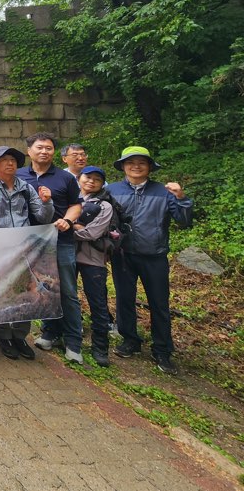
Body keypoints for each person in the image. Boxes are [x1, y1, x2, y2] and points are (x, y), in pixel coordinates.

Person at [107, 146, 192, 375]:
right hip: (123, 254)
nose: (136, 166)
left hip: (154, 255)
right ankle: (130, 340)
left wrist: (181, 198)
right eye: (130, 162)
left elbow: (184, 220)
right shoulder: (111, 190)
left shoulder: (164, 192)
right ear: (123, 166)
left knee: (159, 303)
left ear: (150, 167)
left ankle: (162, 349)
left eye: (141, 163)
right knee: (125, 299)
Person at [0, 146, 54, 360]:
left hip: (25, 249)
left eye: (14, 160)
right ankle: (3, 336)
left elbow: (43, 217)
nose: (10, 163)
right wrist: (0, 239)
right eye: (5, 160)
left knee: (26, 292)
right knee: (2, 292)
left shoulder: (25, 187)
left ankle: (20, 336)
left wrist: (47, 202)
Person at [17, 132, 85, 364]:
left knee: (66, 290)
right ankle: (50, 332)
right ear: (29, 151)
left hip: (60, 241)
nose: (44, 151)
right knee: (38, 288)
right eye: (39, 147)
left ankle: (74, 342)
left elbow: (76, 205)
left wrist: (68, 220)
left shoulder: (65, 178)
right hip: (28, 243)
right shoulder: (18, 175)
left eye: (49, 148)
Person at [69, 166, 115, 368]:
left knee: (98, 303)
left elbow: (93, 233)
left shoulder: (105, 206)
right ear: (79, 178)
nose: (91, 181)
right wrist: (76, 226)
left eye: (97, 179)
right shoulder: (71, 199)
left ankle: (100, 347)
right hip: (69, 255)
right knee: (67, 297)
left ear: (102, 184)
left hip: (93, 259)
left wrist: (69, 227)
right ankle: (65, 335)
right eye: (88, 177)